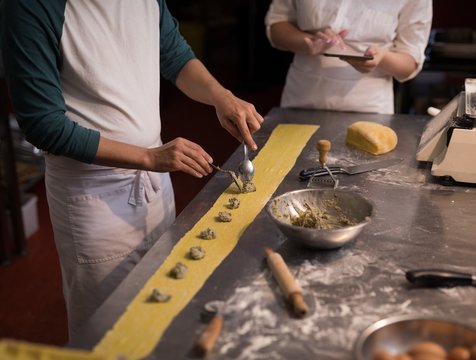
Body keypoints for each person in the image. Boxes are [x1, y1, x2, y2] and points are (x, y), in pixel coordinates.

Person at [1, 0, 264, 339]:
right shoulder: (31, 6)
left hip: (155, 173)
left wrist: (220, 96)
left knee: (160, 302)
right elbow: (43, 124)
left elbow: (173, 54)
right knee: (107, 329)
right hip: (94, 194)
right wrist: (148, 158)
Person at [265, 0, 433, 114]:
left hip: (368, 108)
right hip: (301, 100)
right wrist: (307, 43)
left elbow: (410, 62)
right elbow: (277, 24)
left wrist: (381, 58)